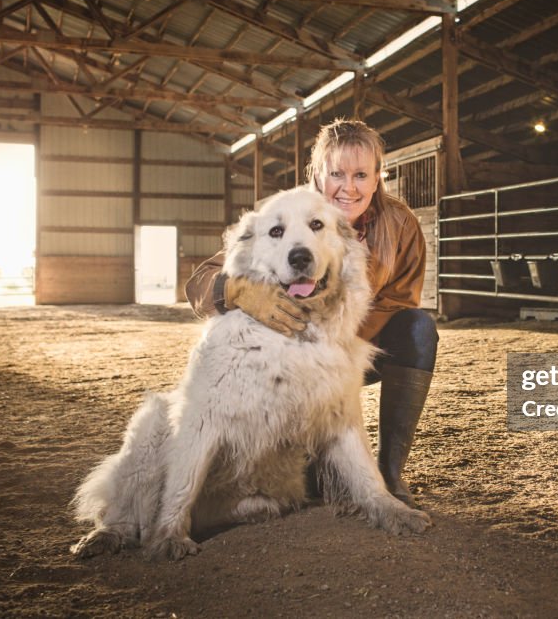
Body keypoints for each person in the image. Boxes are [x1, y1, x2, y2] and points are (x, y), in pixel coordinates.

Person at [184, 118, 438, 508]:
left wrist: (334, 336)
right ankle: (306, 458)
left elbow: (400, 302)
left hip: (353, 350)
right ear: (316, 175)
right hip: (287, 360)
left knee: (419, 329)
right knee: (305, 488)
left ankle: (389, 472)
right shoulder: (287, 216)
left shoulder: (400, 225)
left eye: (360, 175)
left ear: (376, 178)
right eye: (336, 173)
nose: (348, 187)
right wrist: (239, 290)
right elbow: (200, 283)